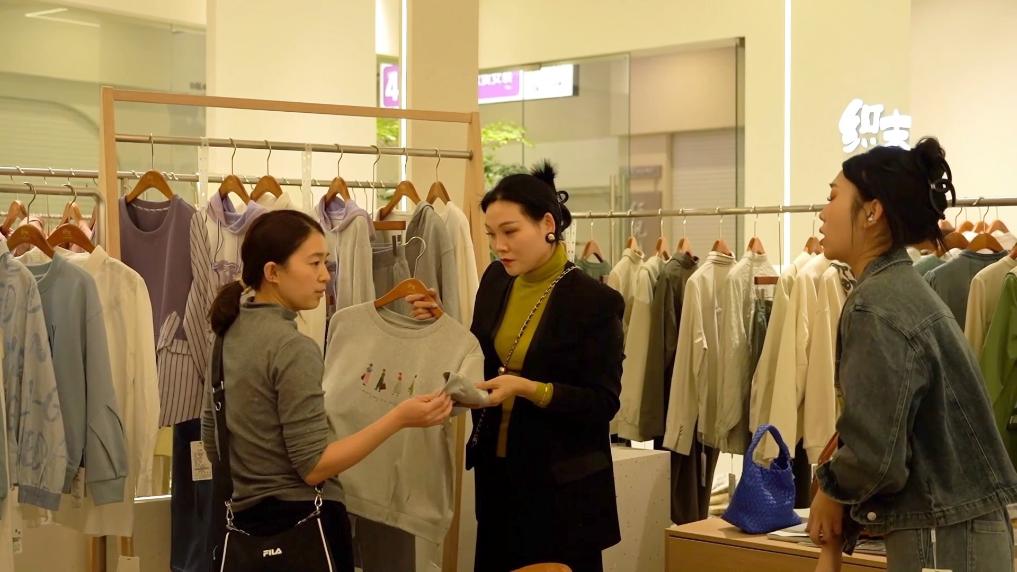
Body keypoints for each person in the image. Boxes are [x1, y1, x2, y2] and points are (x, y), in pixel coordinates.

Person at [201, 210, 453, 571]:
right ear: (273, 272)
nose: (325, 276)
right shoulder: (292, 347)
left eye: (327, 263)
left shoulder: (226, 334)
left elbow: (213, 443)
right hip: (305, 528)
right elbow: (314, 467)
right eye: (314, 263)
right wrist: (399, 417)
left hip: (244, 525)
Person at [808, 138, 1017, 572]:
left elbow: (876, 454)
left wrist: (830, 489)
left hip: (943, 534)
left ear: (872, 211)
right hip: (958, 528)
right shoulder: (900, 289)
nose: (822, 213)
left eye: (832, 196)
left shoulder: (876, 304)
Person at [421, 161, 624, 571]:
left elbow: (603, 403)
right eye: (491, 234)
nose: (499, 245)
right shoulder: (496, 280)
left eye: (510, 232)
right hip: (498, 476)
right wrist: (441, 321)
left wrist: (529, 388)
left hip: (561, 486)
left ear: (547, 224)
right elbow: (482, 354)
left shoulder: (594, 301)